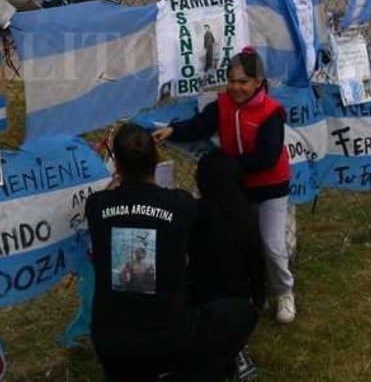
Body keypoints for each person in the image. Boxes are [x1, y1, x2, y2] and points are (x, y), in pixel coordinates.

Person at [87, 123, 257, 382]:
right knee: (242, 313)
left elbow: (106, 200)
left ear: (117, 166)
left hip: (110, 342)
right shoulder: (181, 205)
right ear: (156, 160)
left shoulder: (97, 206)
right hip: (169, 338)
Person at [153, 47, 297, 324]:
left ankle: (284, 291)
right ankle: (253, 291)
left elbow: (266, 159)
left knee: (271, 244)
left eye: (243, 82)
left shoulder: (271, 113)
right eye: (231, 80)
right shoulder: (221, 105)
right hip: (236, 188)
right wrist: (173, 130)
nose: (235, 87)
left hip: (270, 187)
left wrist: (227, 167)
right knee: (238, 242)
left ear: (258, 83)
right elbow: (199, 125)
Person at [191, 152, 265, 379]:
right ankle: (237, 350)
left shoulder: (195, 213)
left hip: (200, 300)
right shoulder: (247, 215)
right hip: (239, 302)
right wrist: (259, 298)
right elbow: (256, 262)